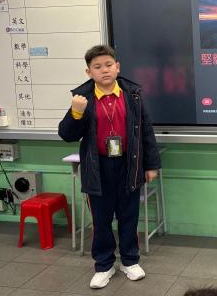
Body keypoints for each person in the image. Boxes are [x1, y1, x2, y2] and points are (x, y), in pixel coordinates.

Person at [58, 45, 161, 289]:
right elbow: (67, 135)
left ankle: (130, 261)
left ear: (117, 67)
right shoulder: (83, 99)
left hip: (129, 163)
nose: (104, 70)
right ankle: (104, 265)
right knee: (101, 220)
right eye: (97, 67)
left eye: (108, 65)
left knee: (129, 216)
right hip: (98, 167)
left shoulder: (132, 95)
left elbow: (146, 131)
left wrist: (151, 165)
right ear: (88, 72)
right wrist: (76, 113)